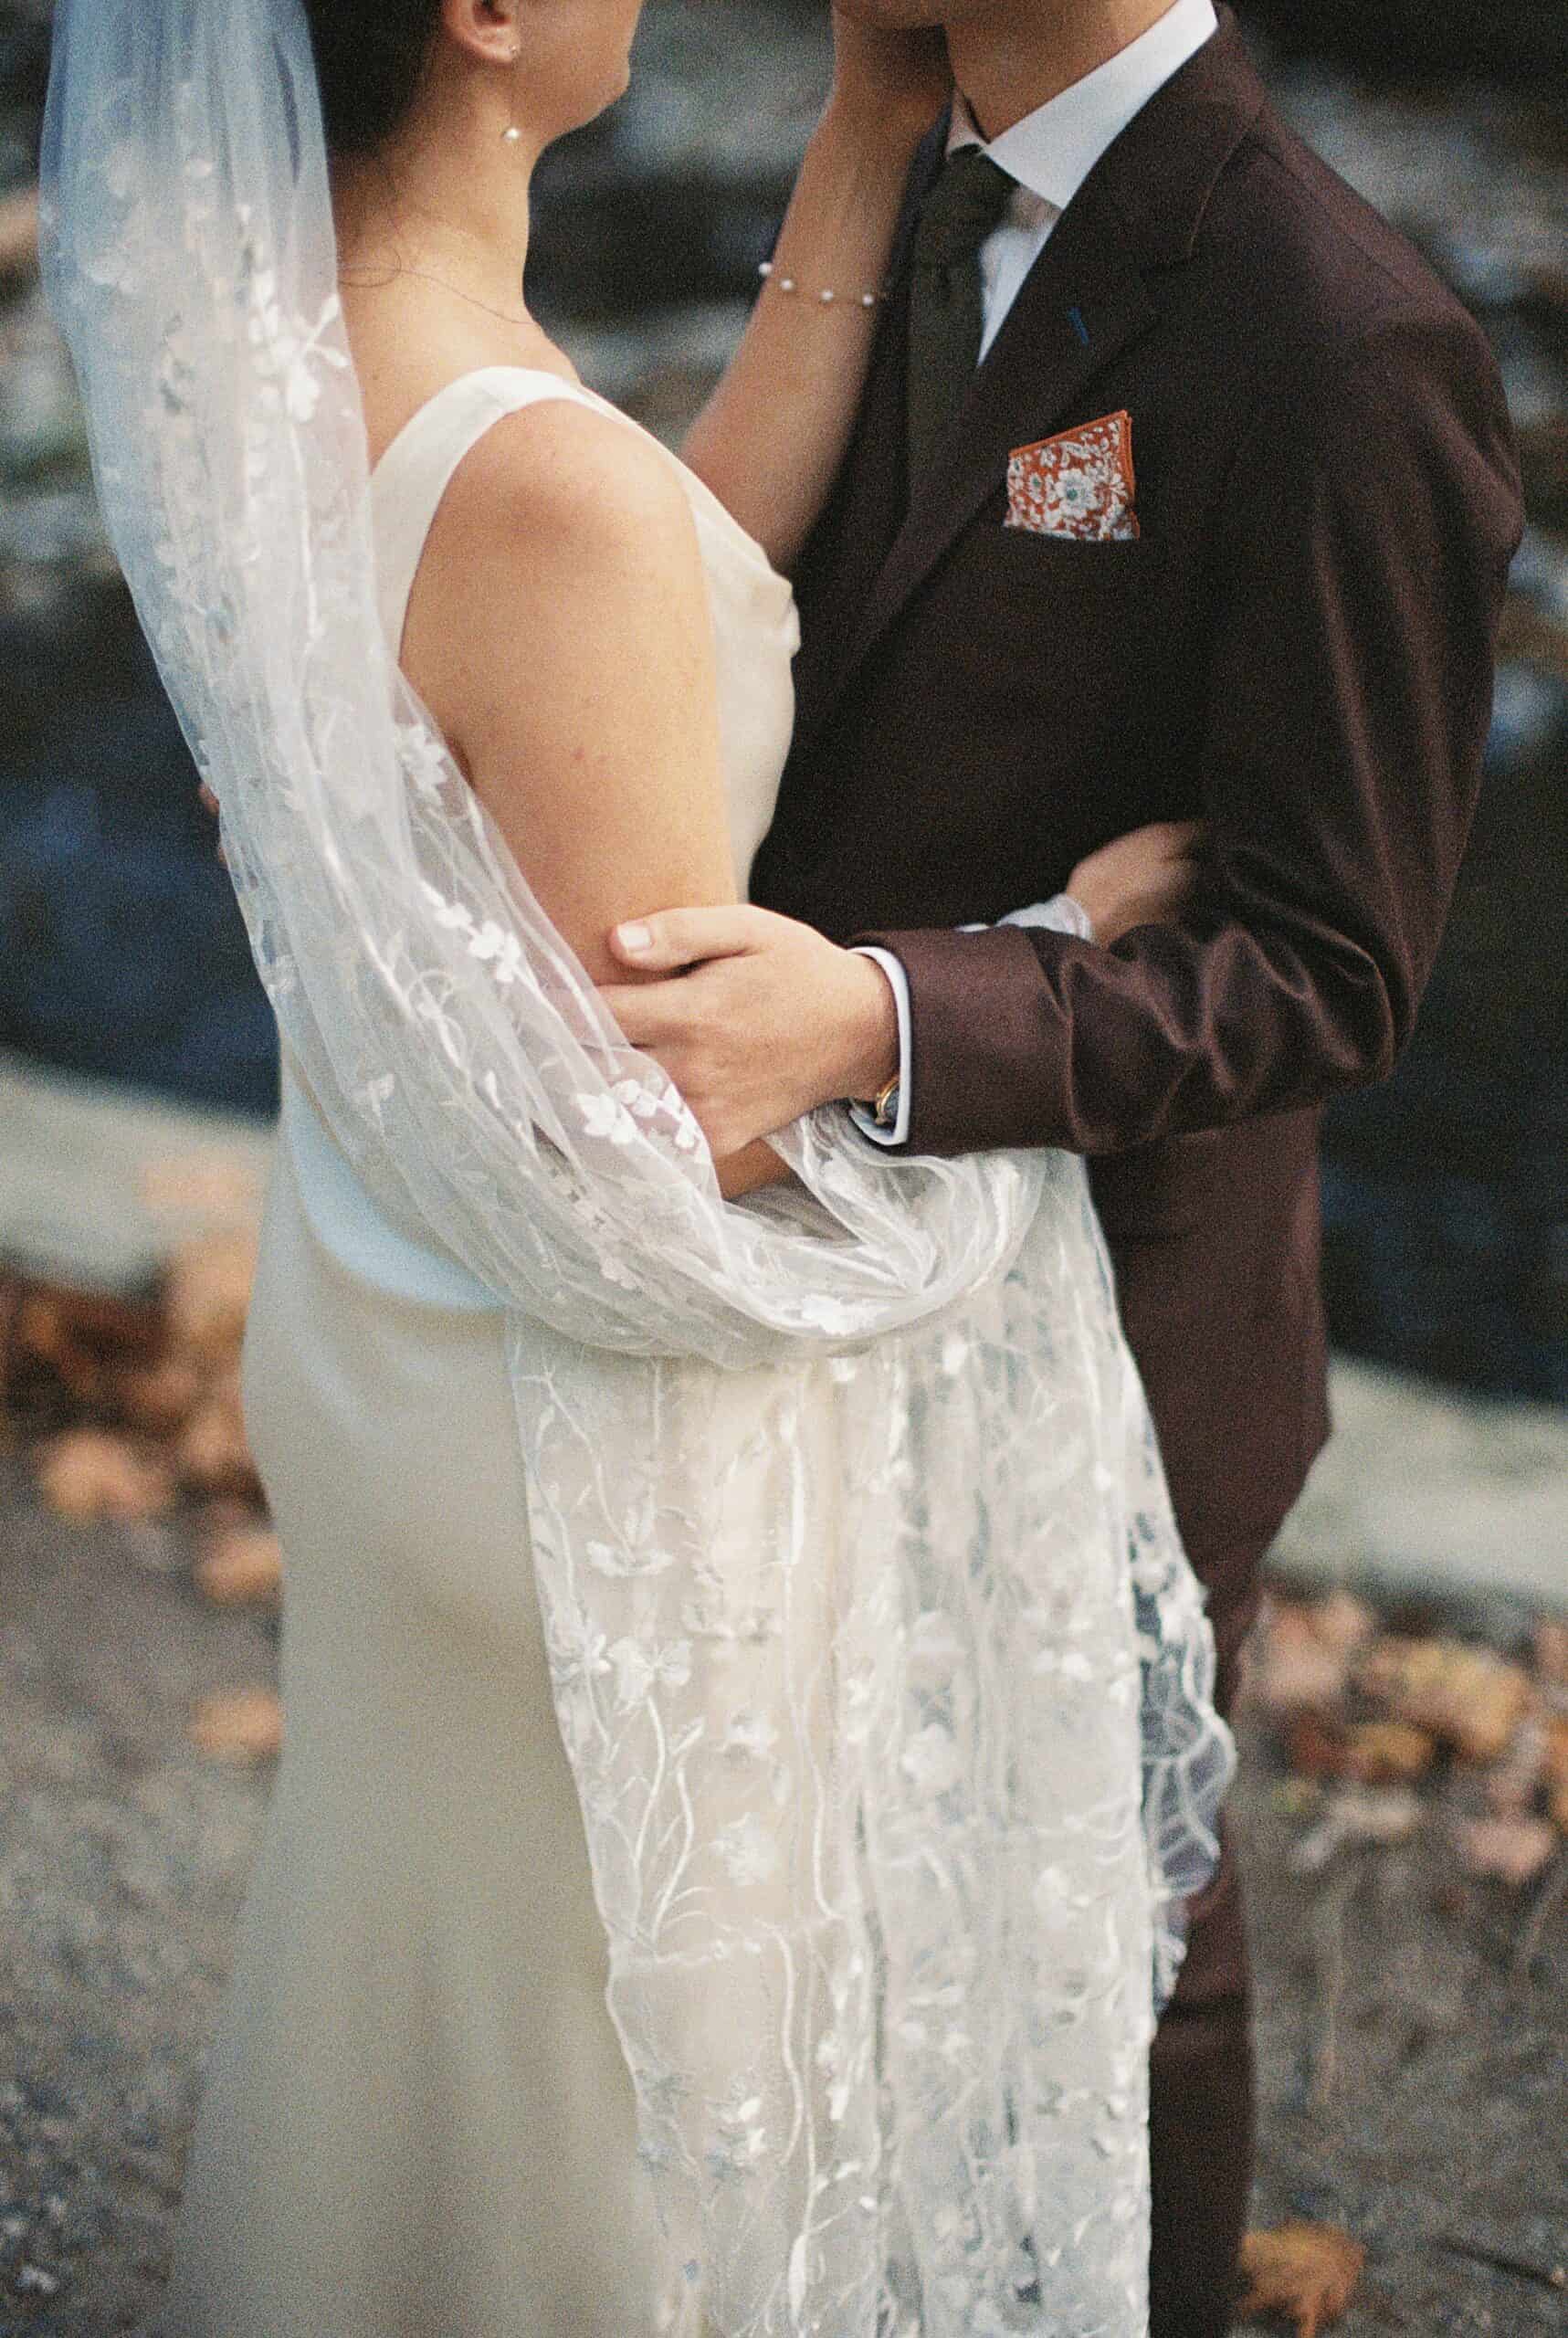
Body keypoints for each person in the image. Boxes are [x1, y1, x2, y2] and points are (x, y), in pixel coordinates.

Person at [41, 0, 1235, 2333]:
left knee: (411, 2002)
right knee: (608, 2132)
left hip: (379, 1320)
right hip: (561, 1417)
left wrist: (863, 128)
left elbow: (644, 585)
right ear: (486, 15)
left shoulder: (296, 368)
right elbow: (683, 1127)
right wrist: (1049, 950)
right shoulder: (537, 485)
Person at [599, 2, 1525, 2330]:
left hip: (1117, 1316)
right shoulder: (904, 183)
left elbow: (1327, 965)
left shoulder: (1341, 336)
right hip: (820, 1257)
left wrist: (885, 1013)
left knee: (1115, 1920)